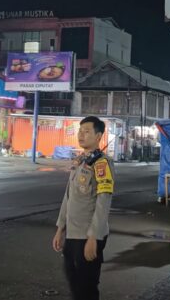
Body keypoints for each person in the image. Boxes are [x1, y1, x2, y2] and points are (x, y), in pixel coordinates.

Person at [52, 116, 114, 300]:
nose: (81, 135)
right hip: (72, 234)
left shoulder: (102, 163)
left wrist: (94, 236)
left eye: (87, 131)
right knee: (74, 284)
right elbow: (68, 197)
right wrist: (60, 229)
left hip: (88, 236)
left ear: (98, 136)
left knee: (87, 288)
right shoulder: (80, 162)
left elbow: (103, 201)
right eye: (80, 131)